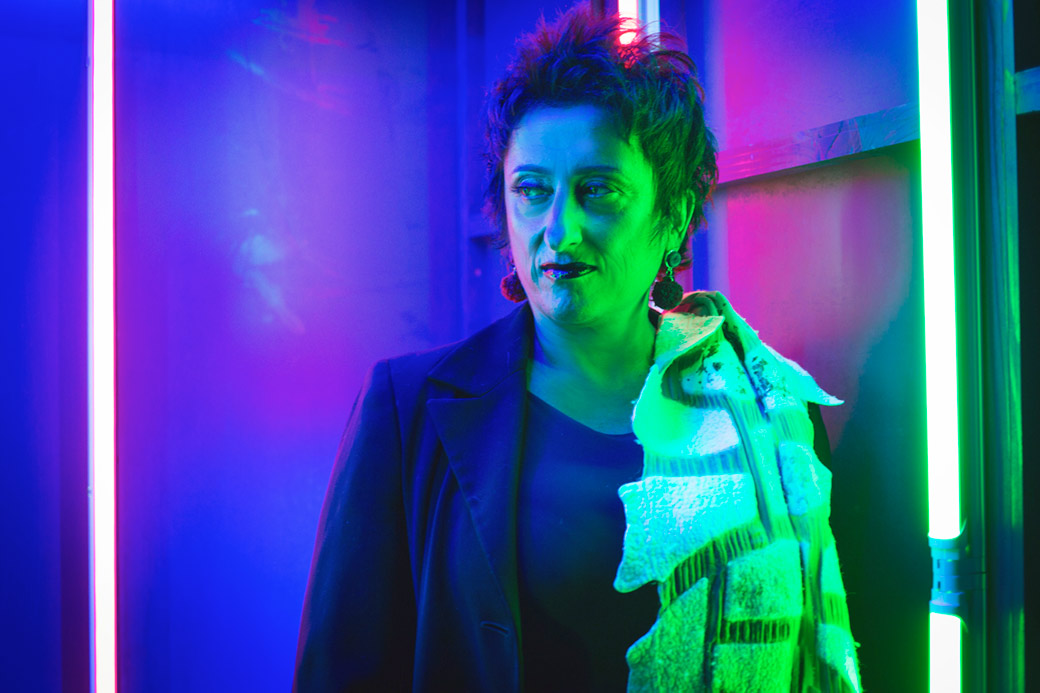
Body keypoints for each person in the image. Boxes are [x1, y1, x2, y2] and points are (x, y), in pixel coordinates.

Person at [294, 4, 860, 691]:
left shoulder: (773, 413)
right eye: (532, 191)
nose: (558, 230)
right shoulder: (407, 411)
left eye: (598, 191)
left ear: (674, 214)